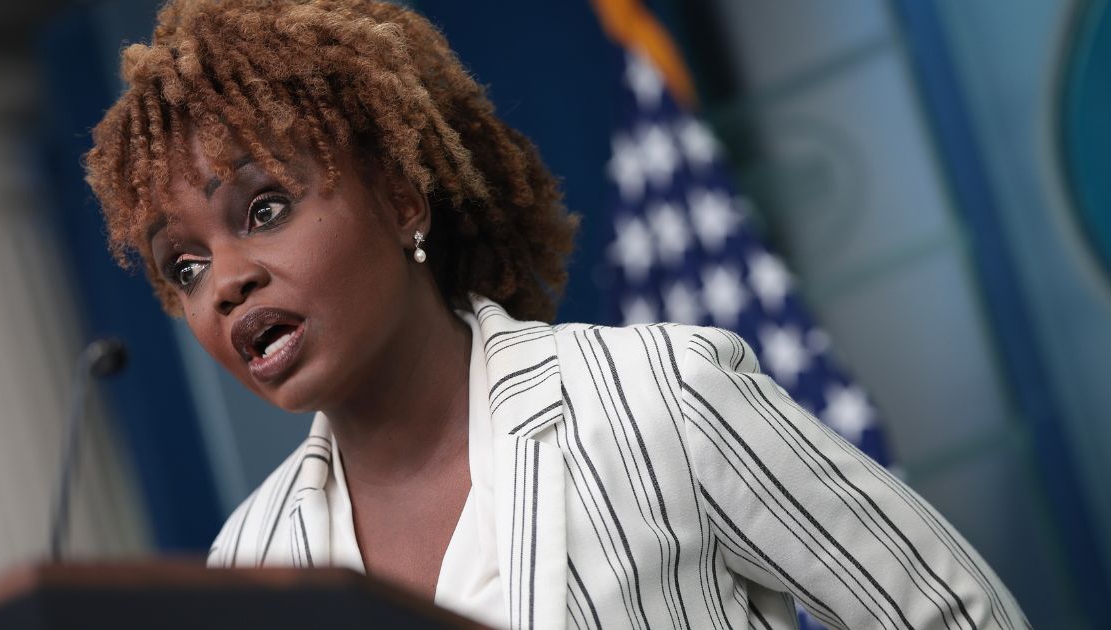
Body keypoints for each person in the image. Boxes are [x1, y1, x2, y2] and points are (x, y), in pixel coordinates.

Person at [83, 0, 1030, 627]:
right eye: (186, 266)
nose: (228, 282)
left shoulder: (658, 399)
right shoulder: (247, 565)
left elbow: (951, 614)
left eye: (264, 210)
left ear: (404, 197)